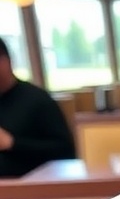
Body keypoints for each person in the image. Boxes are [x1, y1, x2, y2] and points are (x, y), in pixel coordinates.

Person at [0, 36, 76, 178]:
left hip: (31, 188)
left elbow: (65, 151)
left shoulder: (38, 100)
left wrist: (13, 144)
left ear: (6, 62)